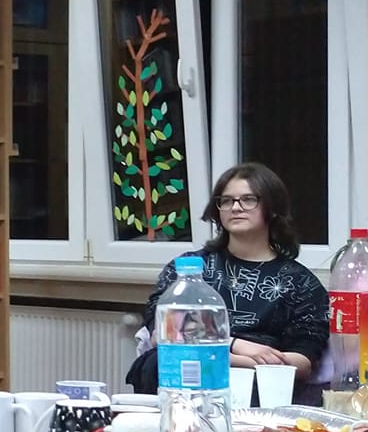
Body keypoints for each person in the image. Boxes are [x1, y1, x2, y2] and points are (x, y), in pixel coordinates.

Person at [126, 162, 329, 395]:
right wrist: (236, 346)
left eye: (248, 199)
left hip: (259, 385)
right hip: (183, 379)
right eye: (226, 200)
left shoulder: (300, 282)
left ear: (273, 208)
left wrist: (241, 363)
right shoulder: (188, 269)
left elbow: (303, 361)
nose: (236, 207)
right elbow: (163, 334)